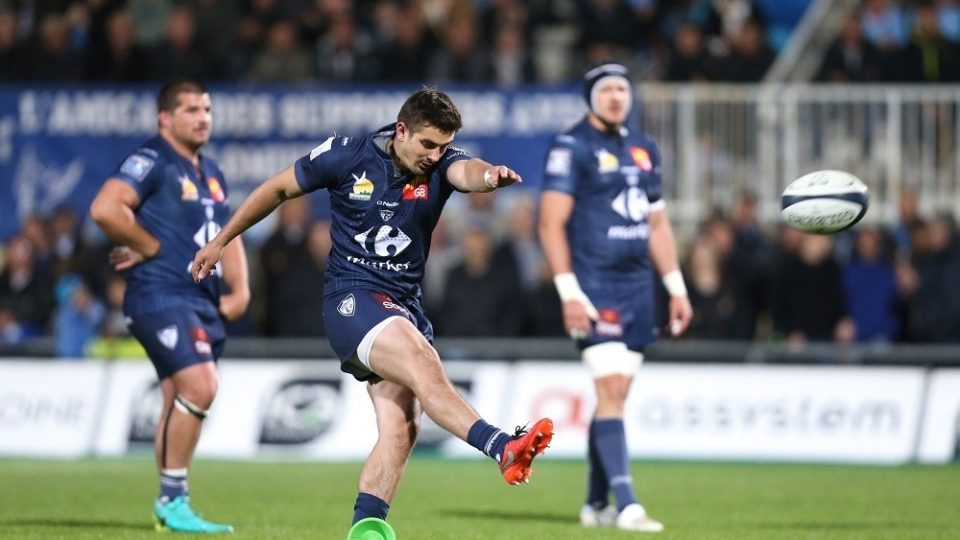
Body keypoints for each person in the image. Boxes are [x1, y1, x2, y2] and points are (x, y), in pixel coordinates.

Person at [191, 87, 553, 535]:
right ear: (401, 130)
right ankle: (502, 446)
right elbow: (278, 189)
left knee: (402, 427)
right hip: (354, 300)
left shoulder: (441, 162)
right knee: (423, 363)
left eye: (443, 146)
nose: (434, 155)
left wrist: (489, 177)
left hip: (403, 304)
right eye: (427, 144)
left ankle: (366, 529)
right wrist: (222, 239)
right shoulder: (345, 156)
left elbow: (467, 171)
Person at [538, 62, 693, 533]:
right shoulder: (572, 146)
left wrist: (676, 287)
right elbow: (549, 224)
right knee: (610, 390)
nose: (615, 97)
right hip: (594, 287)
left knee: (617, 394)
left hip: (637, 288)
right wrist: (568, 291)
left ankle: (593, 503)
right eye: (605, 89)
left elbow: (657, 224)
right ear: (590, 97)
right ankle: (627, 504)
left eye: (622, 89)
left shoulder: (645, 148)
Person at [90, 79, 249, 534]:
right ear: (165, 118)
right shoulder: (153, 160)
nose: (203, 118)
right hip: (159, 294)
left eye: (207, 109)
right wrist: (150, 245)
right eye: (191, 110)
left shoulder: (210, 170)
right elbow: (105, 209)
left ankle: (169, 505)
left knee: (176, 398)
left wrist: (241, 289)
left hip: (200, 300)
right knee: (200, 387)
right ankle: (172, 498)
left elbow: (228, 230)